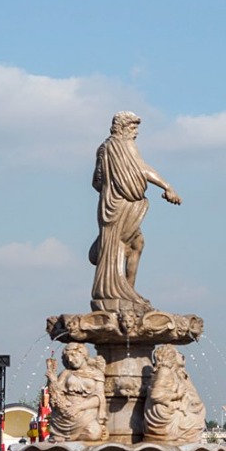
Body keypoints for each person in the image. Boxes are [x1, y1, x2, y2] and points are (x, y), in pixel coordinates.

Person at [89, 111, 180, 310]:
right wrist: (167, 186)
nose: (136, 132)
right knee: (125, 244)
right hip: (124, 203)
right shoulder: (125, 144)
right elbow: (142, 168)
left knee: (132, 243)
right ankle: (121, 291)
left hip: (109, 204)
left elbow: (96, 182)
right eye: (132, 127)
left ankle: (126, 290)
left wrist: (113, 186)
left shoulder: (103, 148)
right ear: (122, 128)